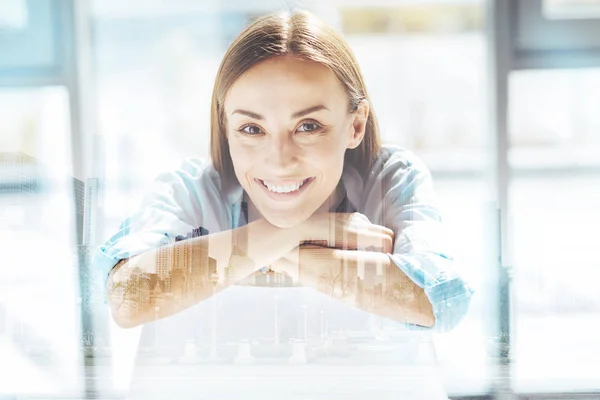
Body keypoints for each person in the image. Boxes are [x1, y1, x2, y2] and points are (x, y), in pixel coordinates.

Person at [93, 10, 473, 395]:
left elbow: (439, 300)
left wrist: (258, 250)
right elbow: (129, 297)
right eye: (251, 129)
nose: (279, 159)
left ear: (355, 125)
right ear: (226, 128)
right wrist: (298, 231)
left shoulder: (390, 177)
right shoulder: (189, 189)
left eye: (308, 126)